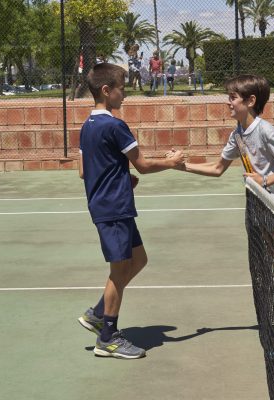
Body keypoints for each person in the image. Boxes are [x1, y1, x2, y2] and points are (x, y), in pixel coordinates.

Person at [171, 74, 274, 361]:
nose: (228, 103)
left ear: (250, 101)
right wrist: (180, 166)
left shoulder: (265, 131)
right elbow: (216, 168)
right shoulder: (237, 133)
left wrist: (266, 179)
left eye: (233, 98)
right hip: (264, 213)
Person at [76, 62, 184, 359]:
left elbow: (84, 171)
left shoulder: (87, 126)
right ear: (106, 91)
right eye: (122, 89)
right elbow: (144, 165)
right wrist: (173, 163)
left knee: (139, 259)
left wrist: (120, 179)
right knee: (119, 269)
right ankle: (108, 337)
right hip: (114, 209)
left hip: (112, 204)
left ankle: (99, 313)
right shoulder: (115, 125)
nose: (125, 94)